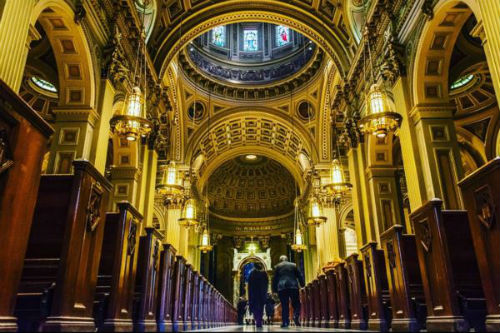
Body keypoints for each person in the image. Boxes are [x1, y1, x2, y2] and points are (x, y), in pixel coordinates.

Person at [272, 255, 305, 328]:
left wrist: (274, 290)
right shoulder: (293, 265)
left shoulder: (277, 266)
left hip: (282, 287)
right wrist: (302, 285)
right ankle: (296, 316)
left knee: (284, 305)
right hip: (293, 286)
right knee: (296, 303)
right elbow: (299, 275)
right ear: (287, 260)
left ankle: (285, 322)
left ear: (280, 260)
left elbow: (274, 279)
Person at [247, 262, 268, 328]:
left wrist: (249, 294)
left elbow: (249, 285)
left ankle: (257, 320)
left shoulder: (251, 273)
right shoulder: (264, 273)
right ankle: (259, 321)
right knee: (260, 308)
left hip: (254, 294)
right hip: (261, 293)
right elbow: (267, 283)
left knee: (256, 307)